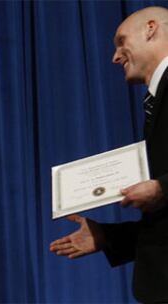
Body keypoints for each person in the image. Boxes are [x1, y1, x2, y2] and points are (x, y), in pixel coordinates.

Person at [50, 6, 168, 303]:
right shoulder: (155, 101)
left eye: (121, 41)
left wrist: (162, 187)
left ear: (151, 28)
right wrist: (108, 237)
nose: (115, 57)